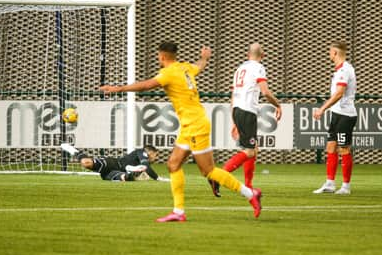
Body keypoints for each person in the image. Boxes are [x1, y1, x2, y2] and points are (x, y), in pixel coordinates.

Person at [100, 42, 262, 222]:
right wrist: (204, 58)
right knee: (173, 164)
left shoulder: (168, 73)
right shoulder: (185, 68)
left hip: (195, 125)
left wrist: (118, 88)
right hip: (189, 125)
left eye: (158, 56)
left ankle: (250, 194)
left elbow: (146, 85)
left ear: (161, 56)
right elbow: (199, 66)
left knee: (208, 170)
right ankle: (178, 212)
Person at [208, 43, 282, 197]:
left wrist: (234, 119)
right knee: (249, 151)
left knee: (253, 149)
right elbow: (265, 92)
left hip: (237, 110)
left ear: (247, 55)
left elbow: (233, 95)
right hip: (248, 111)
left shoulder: (239, 69)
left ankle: (248, 186)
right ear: (263, 56)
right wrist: (277, 105)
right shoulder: (259, 68)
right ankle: (218, 176)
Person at [312, 41, 357, 195]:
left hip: (345, 115)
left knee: (344, 149)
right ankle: (330, 183)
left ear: (335, 53)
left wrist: (322, 108)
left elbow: (339, 93)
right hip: (337, 114)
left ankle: (346, 186)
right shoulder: (339, 70)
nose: (329, 54)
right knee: (331, 146)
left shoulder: (345, 69)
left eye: (330, 51)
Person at [60, 143, 168, 182]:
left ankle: (130, 170)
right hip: (114, 163)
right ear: (150, 152)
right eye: (155, 154)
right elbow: (146, 166)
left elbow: (145, 167)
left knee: (126, 178)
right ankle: (73, 150)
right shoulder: (141, 152)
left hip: (112, 173)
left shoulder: (144, 163)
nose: (155, 157)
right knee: (86, 163)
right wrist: (157, 178)